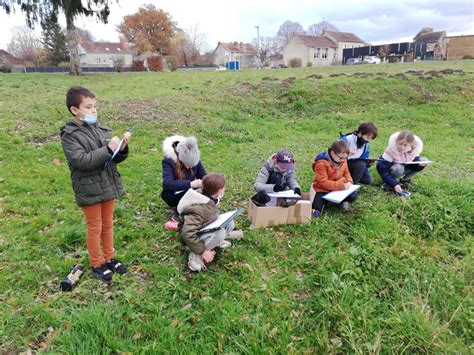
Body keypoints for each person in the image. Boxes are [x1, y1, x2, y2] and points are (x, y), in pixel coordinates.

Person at [60, 86, 130, 282]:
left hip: (106, 184)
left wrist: (121, 149)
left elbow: (112, 158)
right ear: (75, 110)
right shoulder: (70, 135)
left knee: (108, 225)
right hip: (88, 188)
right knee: (95, 226)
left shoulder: (100, 129)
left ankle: (109, 257)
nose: (94, 111)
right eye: (88, 107)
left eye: (94, 106)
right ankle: (97, 263)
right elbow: (82, 160)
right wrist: (108, 149)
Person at [177, 173, 243, 272]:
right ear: (219, 191)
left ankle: (214, 243)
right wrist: (203, 252)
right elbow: (187, 233)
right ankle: (195, 254)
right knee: (220, 234)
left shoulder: (210, 198)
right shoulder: (197, 208)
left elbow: (208, 215)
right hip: (191, 238)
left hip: (204, 226)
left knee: (230, 223)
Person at [161, 135, 206, 221]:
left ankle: (198, 212)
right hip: (172, 194)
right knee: (191, 196)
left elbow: (203, 176)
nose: (190, 168)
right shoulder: (169, 161)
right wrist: (190, 184)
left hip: (190, 190)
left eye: (193, 165)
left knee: (203, 193)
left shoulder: (194, 159)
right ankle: (180, 214)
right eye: (188, 165)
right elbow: (167, 184)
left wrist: (212, 183)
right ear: (181, 159)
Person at [311, 140, 357, 217]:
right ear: (333, 153)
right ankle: (329, 201)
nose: (343, 160)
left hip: (338, 189)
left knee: (353, 196)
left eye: (345, 158)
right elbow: (323, 182)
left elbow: (346, 173)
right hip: (322, 190)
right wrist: (341, 186)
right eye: (341, 158)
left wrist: (349, 182)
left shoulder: (343, 160)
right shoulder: (321, 163)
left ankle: (339, 201)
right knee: (317, 209)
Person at [377, 131, 427, 197]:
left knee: (424, 160)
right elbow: (382, 170)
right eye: (400, 144)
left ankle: (405, 181)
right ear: (396, 141)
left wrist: (419, 166)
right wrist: (394, 184)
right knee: (398, 168)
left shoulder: (414, 149)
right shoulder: (390, 150)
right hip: (392, 171)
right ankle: (389, 184)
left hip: (404, 168)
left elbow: (413, 167)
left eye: (405, 145)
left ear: (411, 144)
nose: (402, 147)